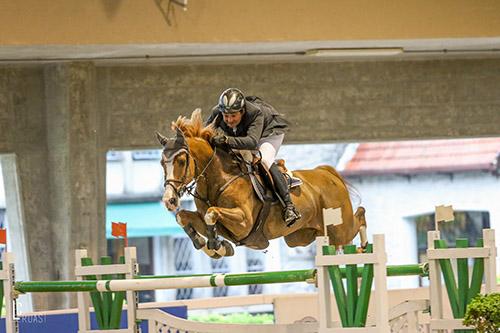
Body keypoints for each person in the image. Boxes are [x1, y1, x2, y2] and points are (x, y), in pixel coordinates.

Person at [205, 88, 301, 226]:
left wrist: (226, 140)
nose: (229, 120)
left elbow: (251, 142)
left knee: (264, 160)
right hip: (246, 135)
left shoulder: (255, 113)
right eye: (226, 116)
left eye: (233, 116)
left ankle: (289, 207)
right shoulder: (217, 113)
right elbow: (205, 134)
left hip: (269, 133)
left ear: (242, 111)